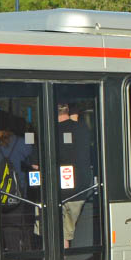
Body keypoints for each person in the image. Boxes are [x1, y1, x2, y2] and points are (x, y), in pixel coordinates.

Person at [0, 111, 37, 260]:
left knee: (1, 234)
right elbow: (34, 160)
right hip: (17, 196)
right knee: (14, 234)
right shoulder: (20, 142)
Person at [57, 102, 94, 249]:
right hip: (80, 188)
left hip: (58, 190)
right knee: (66, 233)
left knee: (58, 233)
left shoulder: (51, 129)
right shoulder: (83, 129)